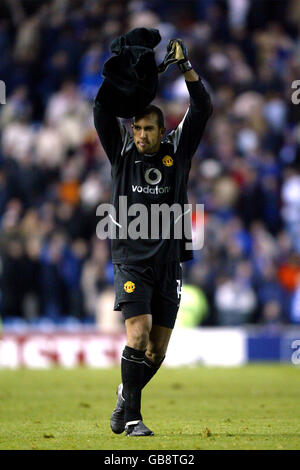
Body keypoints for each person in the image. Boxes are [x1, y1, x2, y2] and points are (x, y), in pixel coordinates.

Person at [93, 38, 212, 436]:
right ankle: (133, 419)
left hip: (169, 262)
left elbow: (203, 108)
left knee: (156, 350)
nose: (141, 135)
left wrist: (186, 67)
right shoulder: (121, 152)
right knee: (137, 333)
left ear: (164, 130)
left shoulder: (178, 152)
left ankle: (125, 396)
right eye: (137, 128)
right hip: (130, 258)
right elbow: (100, 109)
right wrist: (122, 67)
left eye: (148, 129)